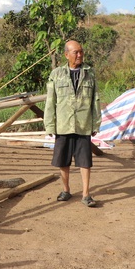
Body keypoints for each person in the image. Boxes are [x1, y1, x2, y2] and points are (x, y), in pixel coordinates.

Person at [43, 40, 101, 207]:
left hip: (83, 124)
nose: (79, 55)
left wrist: (96, 123)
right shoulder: (56, 74)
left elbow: (95, 100)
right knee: (63, 160)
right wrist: (50, 125)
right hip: (63, 124)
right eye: (76, 52)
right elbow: (50, 102)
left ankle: (86, 194)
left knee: (85, 160)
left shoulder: (90, 73)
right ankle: (66, 190)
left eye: (81, 51)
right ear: (66, 54)